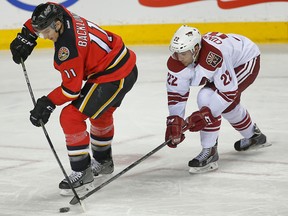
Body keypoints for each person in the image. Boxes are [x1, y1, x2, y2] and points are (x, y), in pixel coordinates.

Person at [10, 2, 138, 194]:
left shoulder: (68, 49)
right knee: (100, 114)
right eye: (40, 31)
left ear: (58, 24)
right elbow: (46, 12)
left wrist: (47, 102)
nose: (44, 36)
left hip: (113, 76)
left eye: (46, 31)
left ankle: (81, 172)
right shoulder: (61, 13)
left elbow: (71, 90)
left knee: (70, 116)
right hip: (123, 67)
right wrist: (27, 35)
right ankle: (103, 162)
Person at [165, 25, 270, 173]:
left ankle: (210, 152)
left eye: (183, 53)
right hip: (228, 62)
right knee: (222, 104)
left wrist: (205, 116)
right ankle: (254, 136)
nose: (178, 57)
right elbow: (176, 95)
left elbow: (228, 92)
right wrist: (174, 121)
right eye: (176, 52)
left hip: (245, 60)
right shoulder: (177, 60)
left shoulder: (213, 56)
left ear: (195, 49)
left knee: (207, 98)